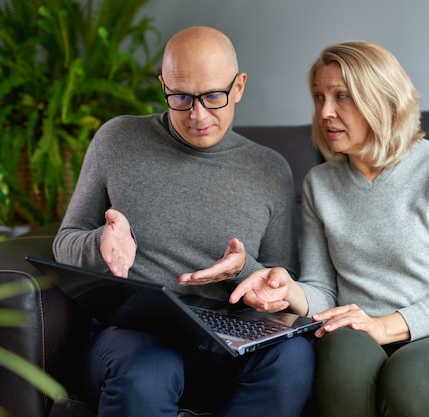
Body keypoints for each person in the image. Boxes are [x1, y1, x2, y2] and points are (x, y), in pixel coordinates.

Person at [52, 26, 315, 417]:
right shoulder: (117, 139)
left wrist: (245, 271)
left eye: (213, 96)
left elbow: (282, 277)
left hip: (228, 336)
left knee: (292, 358)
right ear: (163, 85)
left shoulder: (269, 169)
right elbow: (64, 242)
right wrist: (100, 241)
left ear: (239, 86)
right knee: (149, 370)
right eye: (180, 97)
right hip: (135, 335)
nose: (197, 115)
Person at [230, 40, 429, 417]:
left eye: (342, 96)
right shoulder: (319, 183)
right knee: (338, 352)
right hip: (358, 336)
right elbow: (323, 291)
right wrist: (287, 288)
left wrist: (384, 327)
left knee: (410, 373)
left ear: (385, 100)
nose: (325, 112)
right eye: (319, 97)